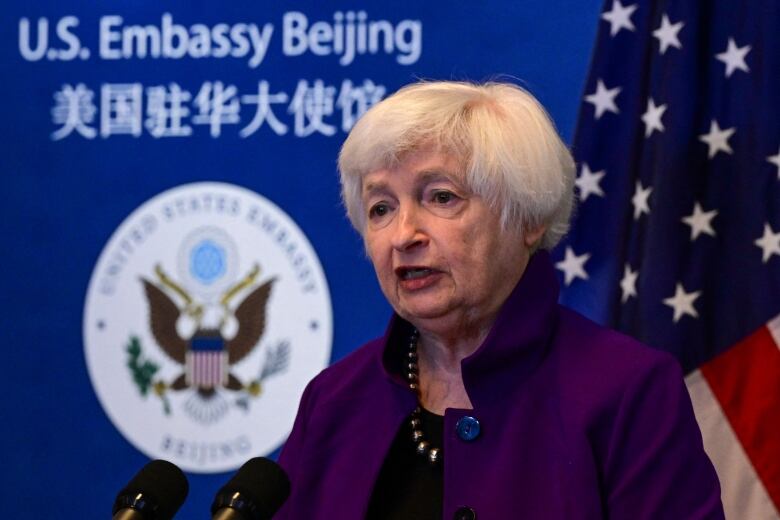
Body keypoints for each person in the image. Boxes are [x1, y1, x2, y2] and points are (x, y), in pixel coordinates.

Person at [276, 80, 724, 519]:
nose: (402, 235)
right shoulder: (333, 401)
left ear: (527, 218)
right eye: (381, 208)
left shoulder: (629, 391)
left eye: (441, 197)